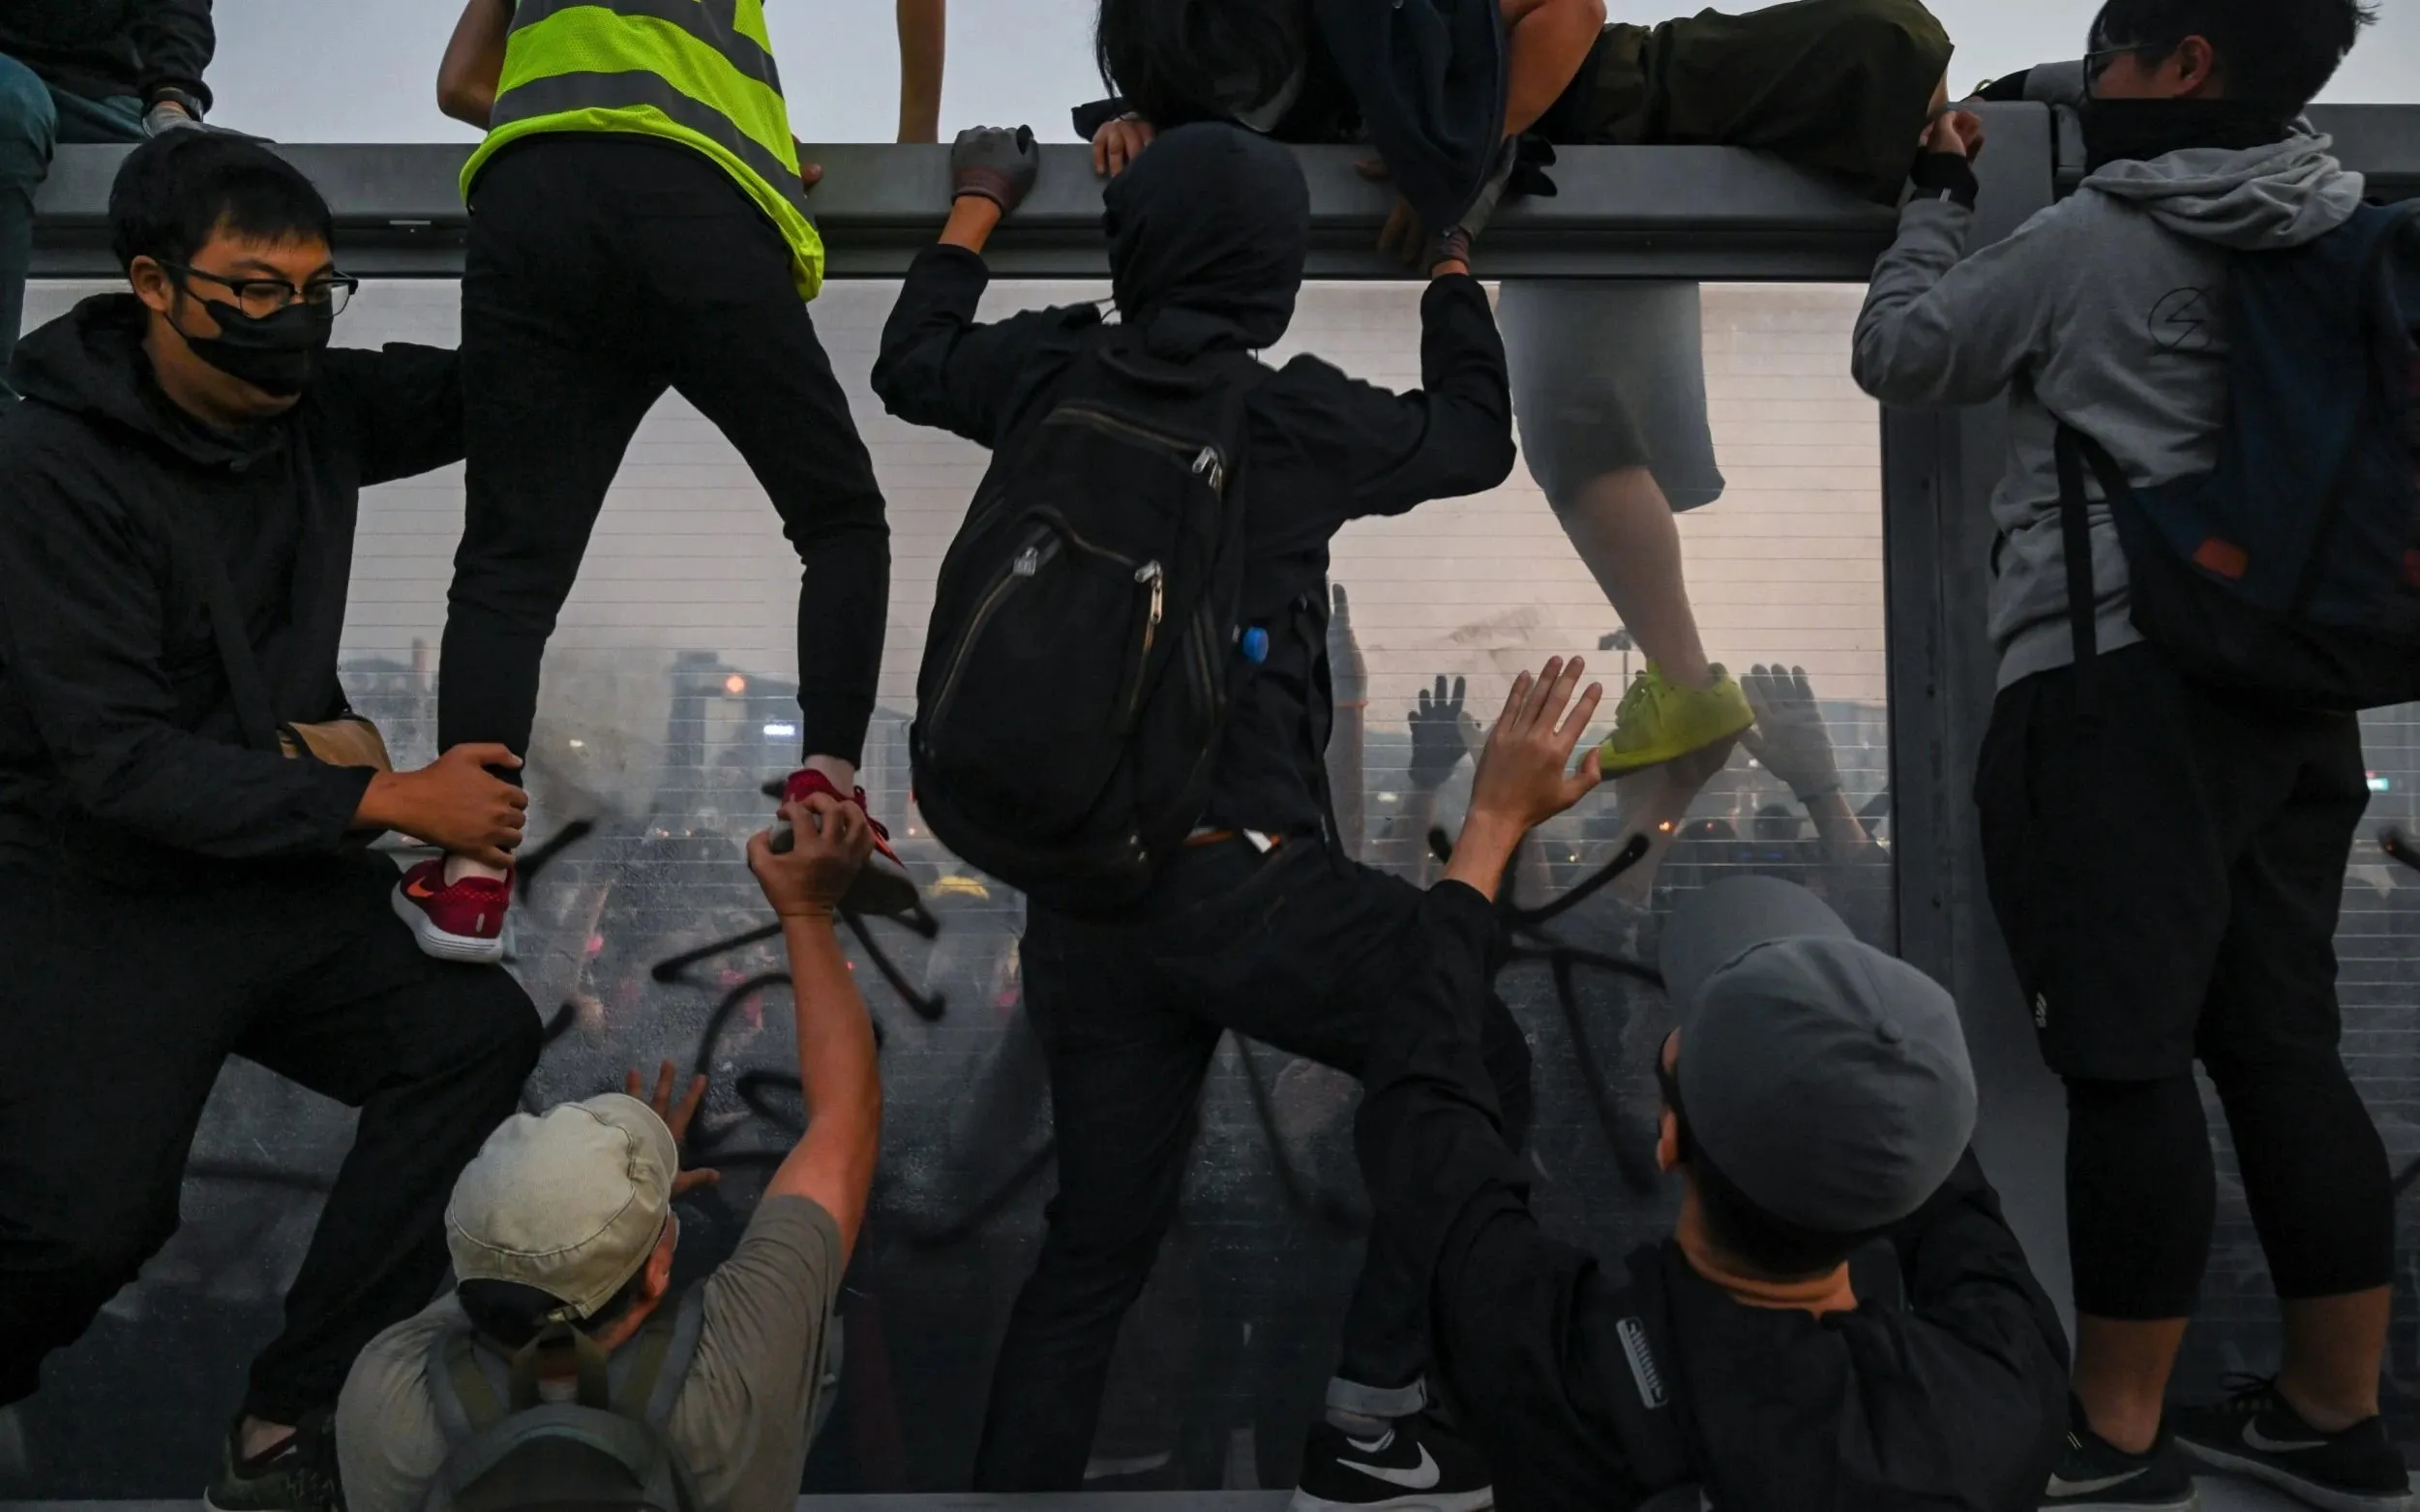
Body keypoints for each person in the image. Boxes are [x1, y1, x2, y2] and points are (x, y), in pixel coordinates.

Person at [872, 122, 1528, 1509]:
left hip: (1085, 900)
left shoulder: (1049, 369)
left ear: (1134, 247)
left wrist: (978, 203)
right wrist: (1450, 255)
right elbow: (1475, 441)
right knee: (1474, 1039)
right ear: (1275, 275)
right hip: (1245, 888)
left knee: (1091, 1254)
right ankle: (1372, 1413)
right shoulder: (1288, 419)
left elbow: (910, 360)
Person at [1851, 2, 2405, 1508]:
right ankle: (2332, 1414)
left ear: (2187, 62)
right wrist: (2053, 86)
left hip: (2116, 693)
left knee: (2125, 1064)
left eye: (2112, 50)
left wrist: (1936, 196)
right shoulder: (2334, 215)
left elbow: (1900, 352)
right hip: (2297, 692)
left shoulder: (2093, 237)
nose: (2092, 76)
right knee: (2285, 1050)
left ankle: (2114, 1433)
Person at [0, 132, 542, 1510]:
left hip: (272, 868)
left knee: (468, 1038)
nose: (289, 319)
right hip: (97, 889)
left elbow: (516, 382)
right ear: (152, 284)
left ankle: (292, 1414)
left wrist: (643, 251)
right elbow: (117, 762)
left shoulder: (319, 409)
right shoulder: (45, 467)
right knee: (83, 1230)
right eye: (251, 288)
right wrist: (386, 795)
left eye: (315, 289)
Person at [1081, 0, 1951, 834]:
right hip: (1589, 185)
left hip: (1631, 116)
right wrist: (1144, 128)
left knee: (1575, 439)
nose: (1243, 101)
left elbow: (1573, 9)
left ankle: (1687, 687)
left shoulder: (1374, 29)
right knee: (1575, 439)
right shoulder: (1282, 79)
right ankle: (1685, 686)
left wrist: (1458, 159)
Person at [1354, 655, 2070, 1511]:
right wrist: (1819, 791)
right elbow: (1915, 1124)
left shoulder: (1558, 1367)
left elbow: (1425, 1083)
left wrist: (1493, 819)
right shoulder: (1998, 1402)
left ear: (1668, 1139)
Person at [403, 0, 944, 963]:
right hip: (694, 203)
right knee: (837, 518)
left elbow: (459, 85)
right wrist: (902, 150)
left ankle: (471, 873)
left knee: (509, 567)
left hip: (532, 203)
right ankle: (824, 791)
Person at [335, 789, 881, 1512]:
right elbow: (844, 1119)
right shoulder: (735, 1373)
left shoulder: (385, 1394)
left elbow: (490, 1277)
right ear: (657, 1270)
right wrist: (808, 910)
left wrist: (619, 1216)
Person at [0, 0, 213, 400]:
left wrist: (173, 98)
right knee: (10, 108)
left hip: (102, 92)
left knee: (238, 175)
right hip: (8, 82)